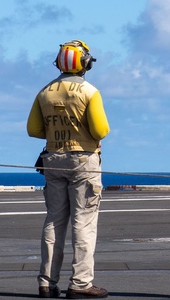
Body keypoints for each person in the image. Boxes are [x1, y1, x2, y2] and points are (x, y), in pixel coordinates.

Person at [27, 40, 110, 299]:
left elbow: (34, 130)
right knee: (83, 222)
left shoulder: (45, 92)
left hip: (53, 158)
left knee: (54, 220)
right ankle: (81, 283)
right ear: (84, 63)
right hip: (83, 160)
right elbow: (101, 131)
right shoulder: (89, 91)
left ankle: (46, 281)